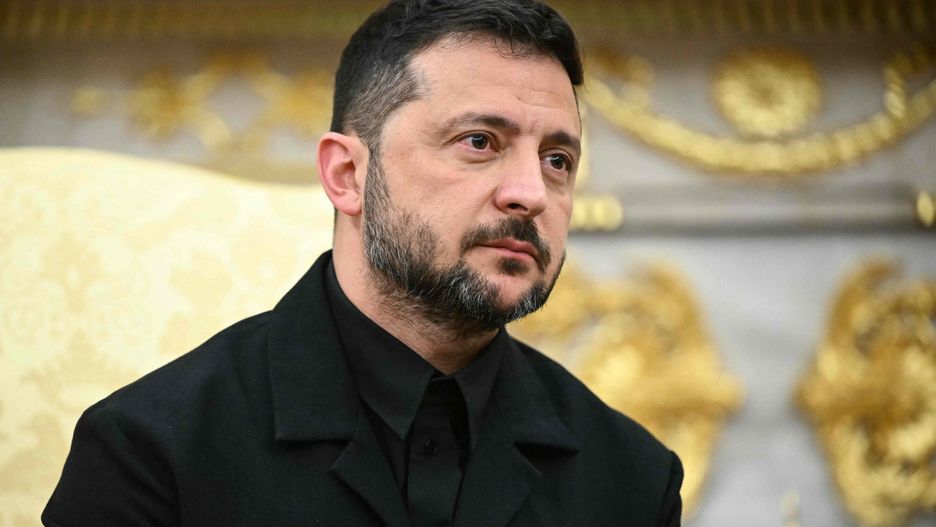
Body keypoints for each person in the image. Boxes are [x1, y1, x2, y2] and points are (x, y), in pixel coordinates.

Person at [43, 0, 683, 525]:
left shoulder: (633, 478)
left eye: (557, 160)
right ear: (347, 173)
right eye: (479, 142)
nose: (532, 192)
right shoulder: (153, 453)